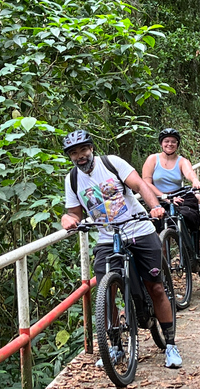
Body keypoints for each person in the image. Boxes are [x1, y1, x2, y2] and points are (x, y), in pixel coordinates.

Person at [59, 129, 182, 369]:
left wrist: (154, 206)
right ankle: (116, 346)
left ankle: (170, 344)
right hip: (107, 237)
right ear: (70, 157)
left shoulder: (112, 163)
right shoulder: (72, 179)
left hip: (138, 229)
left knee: (156, 287)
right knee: (106, 293)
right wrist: (68, 219)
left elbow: (140, 185)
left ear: (91, 149)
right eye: (74, 153)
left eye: (83, 150)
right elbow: (74, 212)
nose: (80, 156)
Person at [141, 128, 200, 256]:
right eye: (166, 141)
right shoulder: (152, 159)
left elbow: (189, 172)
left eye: (173, 142)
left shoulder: (181, 161)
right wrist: (164, 197)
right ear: (161, 143)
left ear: (177, 144)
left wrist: (195, 180)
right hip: (158, 197)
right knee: (161, 236)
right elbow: (146, 183)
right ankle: (165, 270)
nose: (170, 144)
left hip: (178, 194)